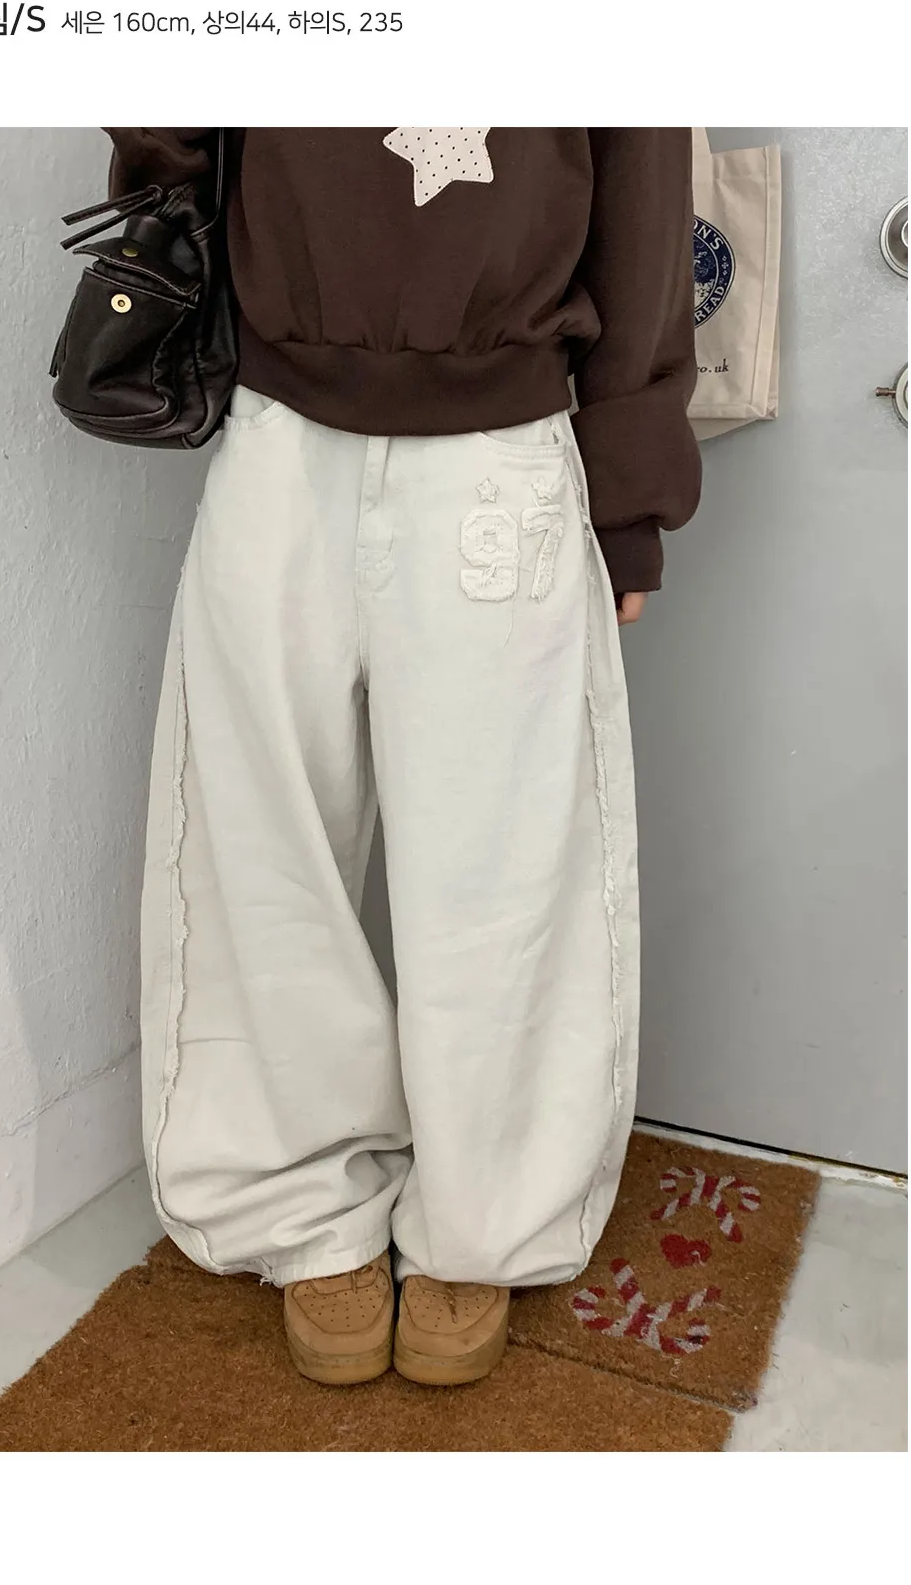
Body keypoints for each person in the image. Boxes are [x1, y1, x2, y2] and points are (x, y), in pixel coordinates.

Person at [105, 129, 701, 1391]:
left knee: (508, 867)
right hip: (277, 427)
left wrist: (628, 494)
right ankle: (296, 1198)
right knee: (258, 841)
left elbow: (644, 193)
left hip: (504, 447)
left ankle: (487, 1218)